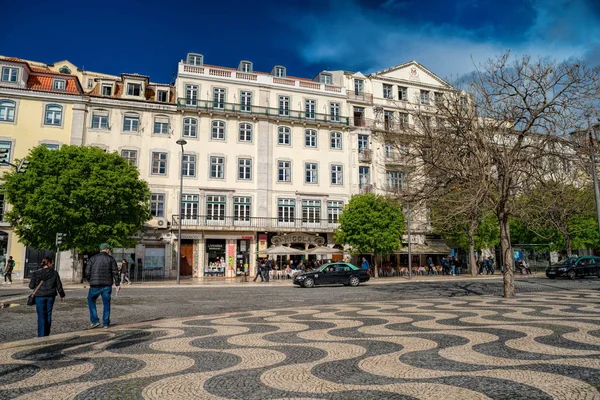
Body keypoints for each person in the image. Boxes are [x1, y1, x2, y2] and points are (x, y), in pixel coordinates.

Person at [86, 243, 120, 329]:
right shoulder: (111, 259)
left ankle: (95, 321)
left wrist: (90, 280)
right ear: (107, 249)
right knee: (106, 303)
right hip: (106, 285)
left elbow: (87, 272)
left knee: (91, 300)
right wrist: (117, 284)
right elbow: (115, 272)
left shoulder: (93, 258)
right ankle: (105, 323)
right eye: (109, 249)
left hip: (95, 285)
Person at [29, 257, 65, 337]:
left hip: (39, 296)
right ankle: (46, 334)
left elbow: (31, 286)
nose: (52, 264)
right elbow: (59, 285)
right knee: (48, 314)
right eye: (52, 262)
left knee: (41, 315)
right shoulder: (54, 273)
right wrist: (62, 295)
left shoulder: (36, 273)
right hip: (50, 296)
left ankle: (41, 335)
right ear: (48, 263)